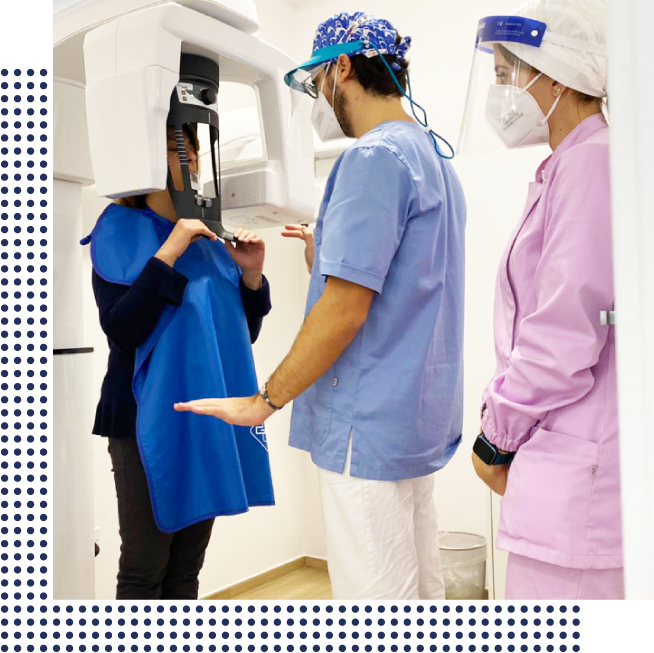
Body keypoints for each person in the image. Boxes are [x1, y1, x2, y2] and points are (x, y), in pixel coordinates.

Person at [176, 11, 466, 600]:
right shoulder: (433, 160)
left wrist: (265, 400)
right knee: (418, 582)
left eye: (316, 83)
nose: (319, 98)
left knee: (376, 588)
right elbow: (407, 289)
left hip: (366, 424)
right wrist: (326, 258)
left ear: (343, 68)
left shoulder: (371, 159)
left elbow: (344, 310)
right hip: (413, 421)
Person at [463, 0, 623, 600]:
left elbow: (565, 329)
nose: (501, 91)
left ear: (556, 76)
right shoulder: (570, 163)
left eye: (508, 73)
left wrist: (496, 437)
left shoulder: (592, 162)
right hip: (561, 457)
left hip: (578, 476)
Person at [85, 122, 274, 600]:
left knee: (187, 568)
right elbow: (123, 331)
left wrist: (251, 277)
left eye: (188, 148)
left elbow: (238, 337)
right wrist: (169, 251)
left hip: (205, 412)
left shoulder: (211, 239)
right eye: (173, 149)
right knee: (144, 569)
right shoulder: (119, 230)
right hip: (138, 417)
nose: (185, 160)